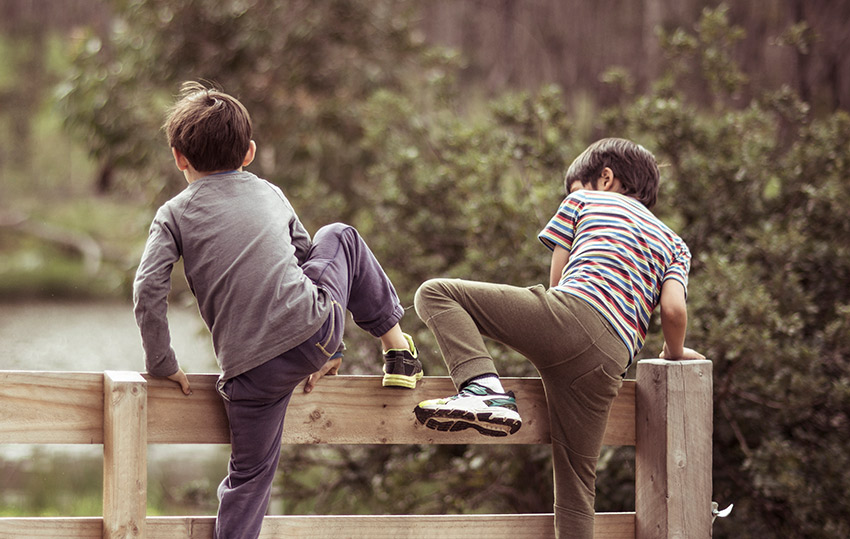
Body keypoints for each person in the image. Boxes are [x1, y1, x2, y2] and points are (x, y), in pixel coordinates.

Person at [133, 81, 423, 539]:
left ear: (178, 156)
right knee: (341, 235)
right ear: (248, 153)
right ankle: (397, 349)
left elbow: (148, 287)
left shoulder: (173, 213)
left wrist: (161, 363)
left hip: (247, 373)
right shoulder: (270, 193)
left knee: (247, 481)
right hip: (313, 333)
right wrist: (330, 345)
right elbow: (311, 259)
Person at [411, 137, 704, 538]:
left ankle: (481, 388)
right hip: (611, 361)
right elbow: (673, 310)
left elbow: (558, 283)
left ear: (605, 177)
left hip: (569, 314)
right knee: (577, 488)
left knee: (435, 293)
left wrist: (546, 328)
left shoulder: (584, 202)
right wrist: (674, 352)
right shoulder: (675, 244)